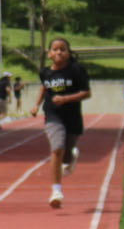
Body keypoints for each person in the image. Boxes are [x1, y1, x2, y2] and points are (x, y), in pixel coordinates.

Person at [30, 37, 90, 210]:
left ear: (68, 53)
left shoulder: (76, 71)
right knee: (57, 148)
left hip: (72, 117)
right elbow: (44, 87)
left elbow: (86, 93)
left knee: (66, 155)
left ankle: (71, 157)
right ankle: (56, 191)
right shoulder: (45, 72)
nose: (59, 52)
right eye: (55, 49)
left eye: (62, 49)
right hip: (52, 115)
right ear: (49, 53)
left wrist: (65, 98)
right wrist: (36, 105)